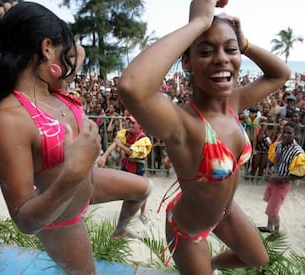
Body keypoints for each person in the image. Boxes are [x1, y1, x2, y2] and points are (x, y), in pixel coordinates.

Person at [0, 3, 151, 274]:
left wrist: (20, 24)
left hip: (89, 184)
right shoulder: (8, 121)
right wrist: (74, 172)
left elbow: (81, 51)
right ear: (47, 48)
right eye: (63, 47)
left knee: (143, 187)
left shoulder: (54, 88)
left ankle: (119, 230)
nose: (71, 57)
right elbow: (25, 221)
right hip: (61, 218)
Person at [117, 0, 291, 273]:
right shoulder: (183, 123)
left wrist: (246, 45)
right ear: (187, 62)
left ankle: (207, 268)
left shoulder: (233, 103)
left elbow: (280, 73)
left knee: (258, 258)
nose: (222, 58)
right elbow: (131, 86)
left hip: (225, 212)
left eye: (230, 49)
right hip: (188, 229)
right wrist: (197, 23)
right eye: (206, 51)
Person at [258, 122, 305, 234]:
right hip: (273, 180)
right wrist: (268, 168)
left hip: (282, 184)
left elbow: (301, 174)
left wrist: (278, 178)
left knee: (273, 210)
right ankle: (269, 227)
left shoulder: (297, 152)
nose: (285, 135)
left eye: (289, 133)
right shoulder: (278, 145)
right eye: (284, 132)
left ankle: (276, 232)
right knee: (270, 207)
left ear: (295, 135)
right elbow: (272, 159)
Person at [97, 115, 152, 224]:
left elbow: (132, 152)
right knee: (127, 191)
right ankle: (127, 214)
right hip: (126, 165)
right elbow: (114, 144)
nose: (130, 125)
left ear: (139, 125)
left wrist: (120, 146)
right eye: (130, 123)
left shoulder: (143, 139)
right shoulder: (125, 133)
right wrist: (104, 156)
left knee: (142, 191)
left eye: (133, 123)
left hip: (137, 167)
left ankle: (143, 213)